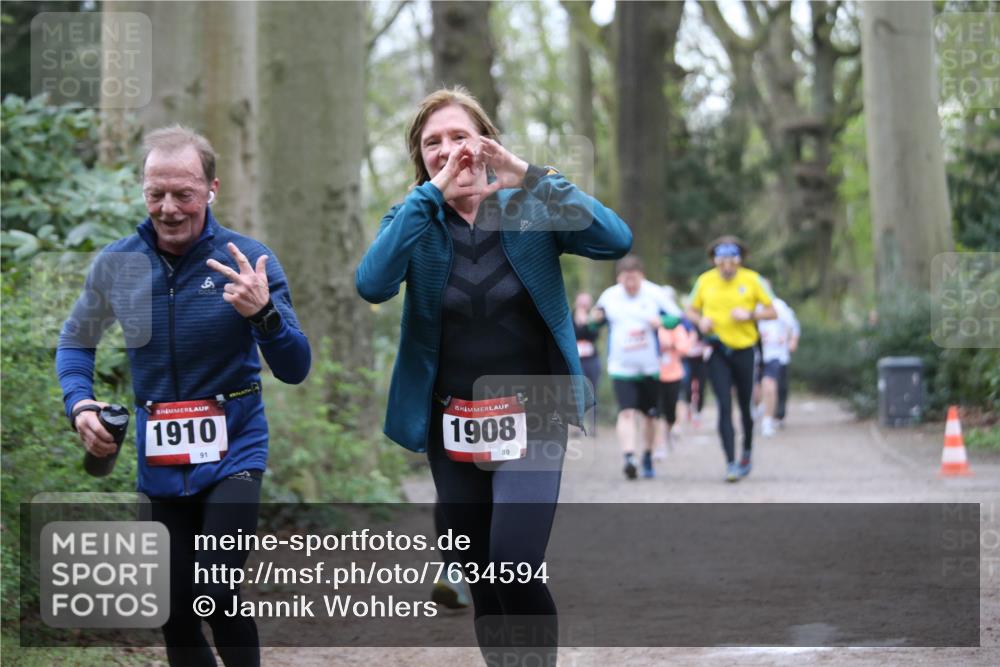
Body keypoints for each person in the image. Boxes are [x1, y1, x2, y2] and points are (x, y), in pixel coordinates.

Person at [355, 87, 631, 664]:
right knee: (482, 576)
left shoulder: (530, 206)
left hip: (535, 410)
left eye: (459, 136)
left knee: (513, 562)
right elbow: (373, 283)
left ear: (485, 142)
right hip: (452, 422)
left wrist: (528, 174)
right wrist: (427, 198)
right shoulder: (414, 218)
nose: (448, 150)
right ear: (420, 157)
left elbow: (614, 239)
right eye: (432, 143)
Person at [56, 126, 311, 667]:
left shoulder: (250, 262)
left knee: (215, 592)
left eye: (184, 194)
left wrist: (262, 314)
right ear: (143, 190)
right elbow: (75, 343)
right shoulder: (117, 264)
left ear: (211, 189)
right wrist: (79, 404)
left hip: (235, 453)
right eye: (156, 194)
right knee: (171, 609)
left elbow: (295, 367)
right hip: (160, 460)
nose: (169, 208)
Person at [685, 236, 775, 482]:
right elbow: (690, 310)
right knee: (724, 405)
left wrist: (750, 314)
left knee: (745, 405)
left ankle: (746, 451)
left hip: (744, 350)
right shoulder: (705, 281)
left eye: (731, 262)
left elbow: (772, 310)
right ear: (715, 260)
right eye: (721, 262)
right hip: (717, 350)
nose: (726, 267)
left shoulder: (753, 279)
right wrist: (700, 320)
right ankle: (731, 462)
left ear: (738, 261)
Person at [592, 256, 676, 480]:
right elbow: (595, 321)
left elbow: (677, 318)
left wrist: (662, 322)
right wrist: (594, 318)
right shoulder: (610, 296)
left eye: (634, 280)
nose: (630, 285)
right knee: (626, 411)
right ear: (619, 278)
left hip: (650, 366)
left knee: (650, 415)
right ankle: (629, 456)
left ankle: (647, 455)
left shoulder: (655, 293)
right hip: (621, 366)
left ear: (642, 276)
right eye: (626, 280)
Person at [755, 289, 800, 435]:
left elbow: (792, 325)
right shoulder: (753, 306)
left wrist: (790, 340)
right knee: (757, 386)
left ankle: (770, 419)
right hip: (757, 353)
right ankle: (760, 409)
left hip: (775, 353)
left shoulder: (779, 306)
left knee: (772, 384)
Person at [657, 313, 693, 456]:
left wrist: (670, 344)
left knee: (670, 412)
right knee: (657, 413)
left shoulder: (677, 327)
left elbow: (685, 349)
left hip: (674, 375)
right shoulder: (652, 327)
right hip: (654, 375)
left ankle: (670, 431)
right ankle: (659, 445)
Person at [573, 291, 603, 425]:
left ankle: (593, 424)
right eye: (581, 302)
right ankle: (577, 424)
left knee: (592, 390)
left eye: (586, 302)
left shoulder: (594, 318)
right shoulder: (569, 316)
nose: (584, 305)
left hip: (591, 359)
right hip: (576, 359)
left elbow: (594, 335)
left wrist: (588, 322)